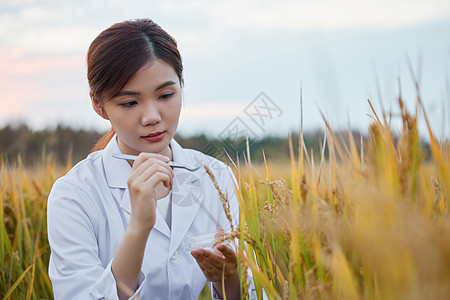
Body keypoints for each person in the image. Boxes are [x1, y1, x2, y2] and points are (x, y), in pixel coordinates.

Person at [47, 18, 255, 300]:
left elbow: (251, 292)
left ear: (181, 86)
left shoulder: (215, 177)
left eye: (166, 95)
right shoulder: (75, 195)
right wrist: (138, 227)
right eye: (129, 103)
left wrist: (229, 279)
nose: (152, 117)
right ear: (99, 104)